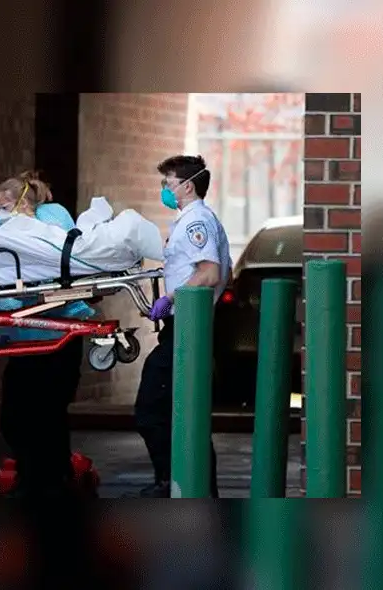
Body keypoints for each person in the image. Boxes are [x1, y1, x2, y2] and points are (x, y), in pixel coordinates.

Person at [130, 155, 232, 498]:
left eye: (168, 183)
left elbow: (209, 273)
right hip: (188, 327)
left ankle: (172, 482)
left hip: (189, 328)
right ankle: (194, 488)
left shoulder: (195, 222)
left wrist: (169, 299)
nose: (164, 190)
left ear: (187, 186)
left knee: (152, 409)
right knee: (185, 414)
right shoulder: (192, 220)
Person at [0, 171, 94, 498]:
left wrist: (23, 296)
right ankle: (49, 477)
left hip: (56, 337)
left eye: (3, 206)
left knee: (40, 415)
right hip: (31, 341)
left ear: (20, 203)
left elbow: (62, 266)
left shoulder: (52, 222)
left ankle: (44, 484)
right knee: (23, 417)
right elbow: (2, 293)